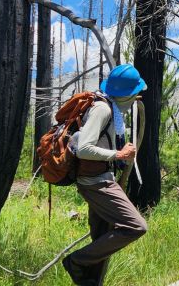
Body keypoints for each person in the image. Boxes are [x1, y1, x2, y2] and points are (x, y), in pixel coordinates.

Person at [62, 64, 148, 285]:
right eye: (134, 93)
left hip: (100, 180)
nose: (137, 97)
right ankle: (76, 261)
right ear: (126, 94)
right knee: (136, 226)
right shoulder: (103, 109)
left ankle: (89, 281)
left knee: (101, 239)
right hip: (96, 184)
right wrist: (119, 154)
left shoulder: (111, 108)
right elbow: (84, 148)